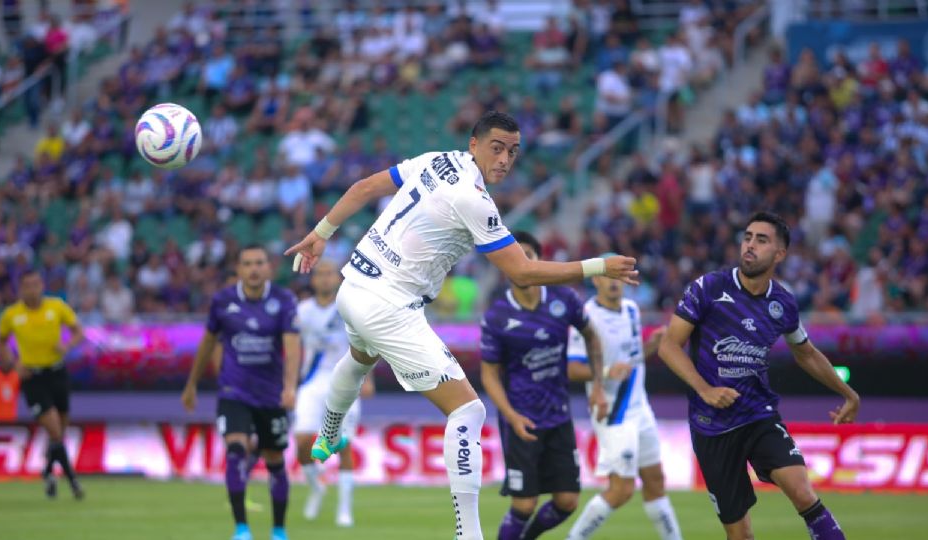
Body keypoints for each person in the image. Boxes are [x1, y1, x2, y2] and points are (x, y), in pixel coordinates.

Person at [284, 111, 639, 539]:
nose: (506, 159)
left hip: (354, 285)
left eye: (513, 151)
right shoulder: (473, 198)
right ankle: (468, 535)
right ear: (474, 144)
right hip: (388, 305)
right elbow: (522, 272)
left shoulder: (436, 160)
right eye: (497, 147)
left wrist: (322, 232)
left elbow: (365, 187)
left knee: (360, 358)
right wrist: (598, 265)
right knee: (468, 409)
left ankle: (328, 434)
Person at [658, 211, 859, 540]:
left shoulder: (782, 303)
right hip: (712, 425)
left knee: (803, 493)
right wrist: (705, 389)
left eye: (761, 240)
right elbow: (669, 345)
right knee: (740, 535)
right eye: (747, 237)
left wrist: (849, 394)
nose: (750, 245)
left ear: (779, 254)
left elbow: (805, 352)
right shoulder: (709, 287)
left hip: (758, 414)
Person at [479, 232, 607, 540]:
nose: (521, 263)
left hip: (559, 416)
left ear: (538, 261)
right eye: (514, 258)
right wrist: (511, 416)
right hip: (522, 420)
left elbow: (592, 337)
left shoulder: (564, 300)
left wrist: (599, 385)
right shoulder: (497, 316)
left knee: (567, 501)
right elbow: (489, 375)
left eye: (528, 256)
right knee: (524, 504)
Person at [181, 245, 301, 540]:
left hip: (271, 394)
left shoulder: (284, 300)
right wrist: (192, 383)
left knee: (274, 460)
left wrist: (289, 387)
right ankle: (241, 529)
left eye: (259, 262)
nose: (254, 269)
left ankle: (278, 531)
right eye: (247, 263)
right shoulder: (222, 301)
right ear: (239, 269)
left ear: (269, 267)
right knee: (235, 451)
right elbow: (208, 343)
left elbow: (292, 345)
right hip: (233, 391)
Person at [564, 255, 683, 540]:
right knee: (622, 490)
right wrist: (604, 371)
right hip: (612, 410)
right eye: (608, 276)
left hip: (640, 407)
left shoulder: (631, 310)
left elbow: (628, 360)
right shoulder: (585, 317)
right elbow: (571, 369)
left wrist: (649, 348)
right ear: (596, 280)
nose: (615, 282)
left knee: (656, 482)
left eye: (619, 276)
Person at [293, 259, 374, 528]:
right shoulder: (303, 311)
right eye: (320, 274)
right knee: (303, 441)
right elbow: (292, 348)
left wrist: (369, 376)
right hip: (313, 382)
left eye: (330, 274)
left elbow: (366, 341)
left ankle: (344, 509)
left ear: (338, 279)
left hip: (347, 382)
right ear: (313, 280)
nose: (325, 278)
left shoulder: (349, 308)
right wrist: (290, 384)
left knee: (344, 444)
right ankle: (317, 486)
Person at [0, 270, 85, 499]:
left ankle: (48, 472)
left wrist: (66, 347)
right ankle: (73, 481)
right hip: (32, 377)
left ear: (42, 286)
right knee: (55, 429)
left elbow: (78, 332)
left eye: (36, 285)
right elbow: (2, 342)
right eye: (27, 285)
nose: (32, 290)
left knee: (59, 432)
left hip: (57, 372)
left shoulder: (56, 307)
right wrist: (13, 363)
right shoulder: (12, 315)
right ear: (20, 289)